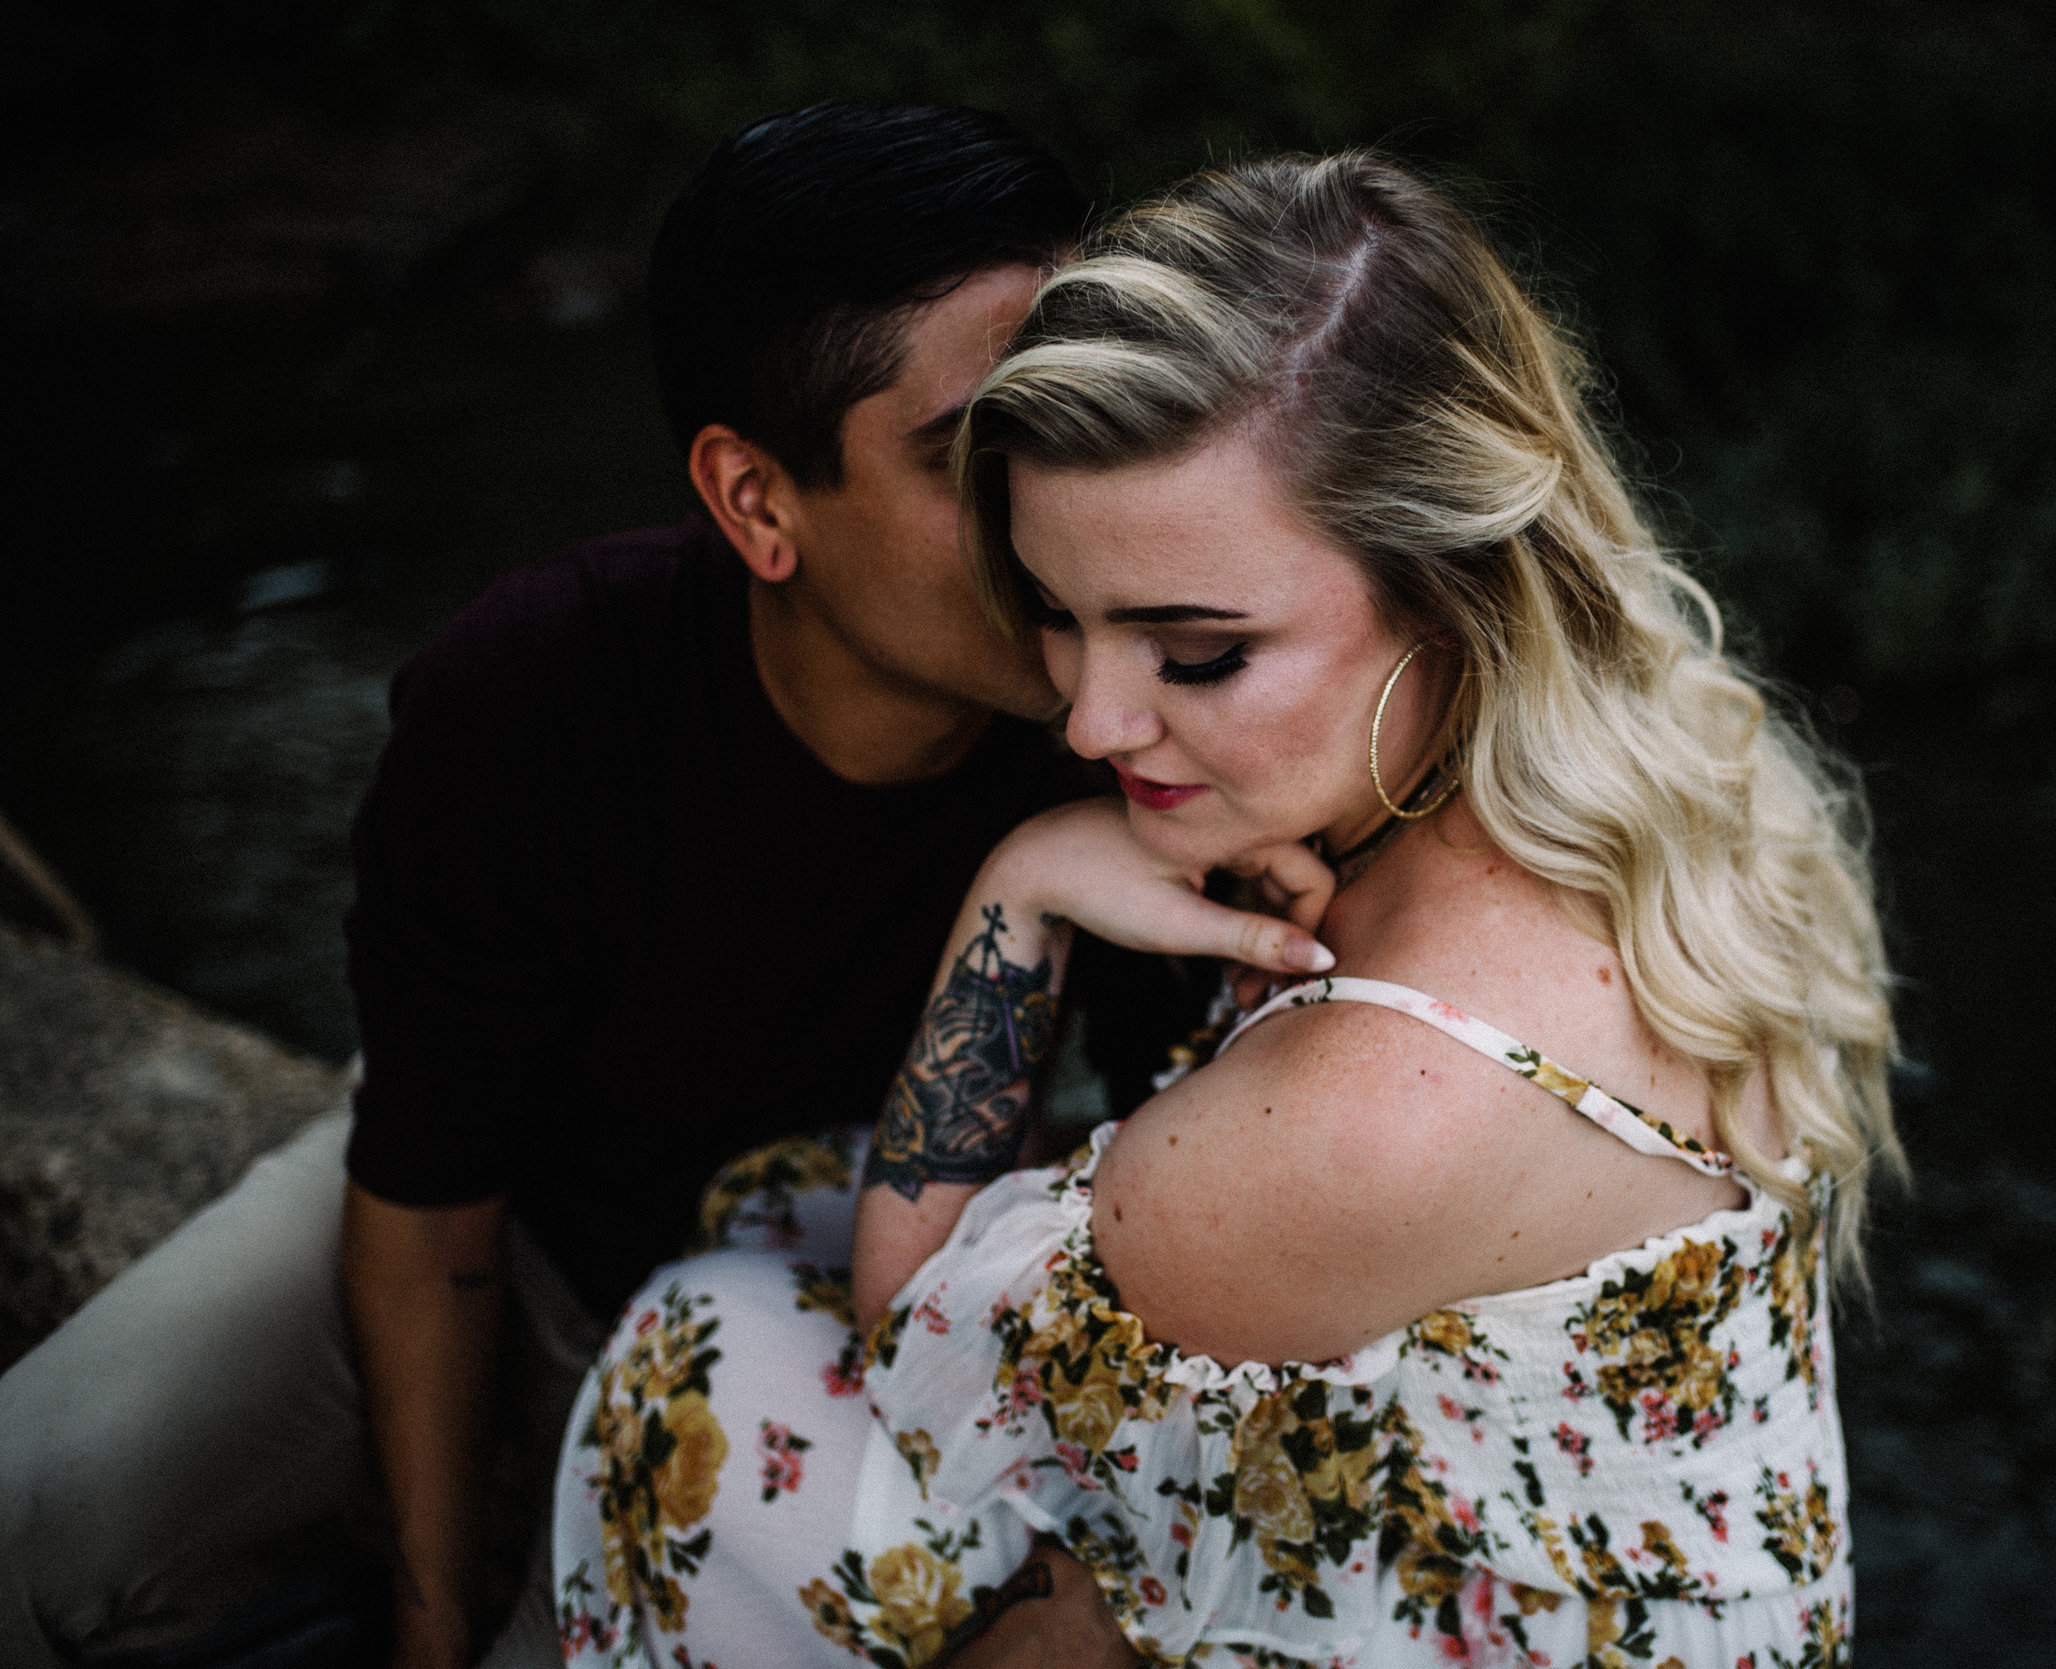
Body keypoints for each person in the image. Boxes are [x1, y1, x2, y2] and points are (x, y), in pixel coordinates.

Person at [551, 151, 1902, 1669]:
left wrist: (1028, 885)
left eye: (1193, 656)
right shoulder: (1647, 742)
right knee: (785, 1193)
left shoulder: (1380, 1100)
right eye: (1057, 614)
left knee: (700, 1360)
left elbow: (917, 1315)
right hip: (1471, 1539)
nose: (1090, 723)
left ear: (1448, 586)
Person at [0, 102, 1289, 1669]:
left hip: (850, 1305)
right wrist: (426, 1610)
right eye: (976, 452)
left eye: (1085, 409)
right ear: (757, 502)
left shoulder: (1142, 707)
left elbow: (1222, 1164)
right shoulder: (537, 694)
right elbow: (426, 1207)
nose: (1067, 500)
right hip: (505, 1218)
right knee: (36, 1514)